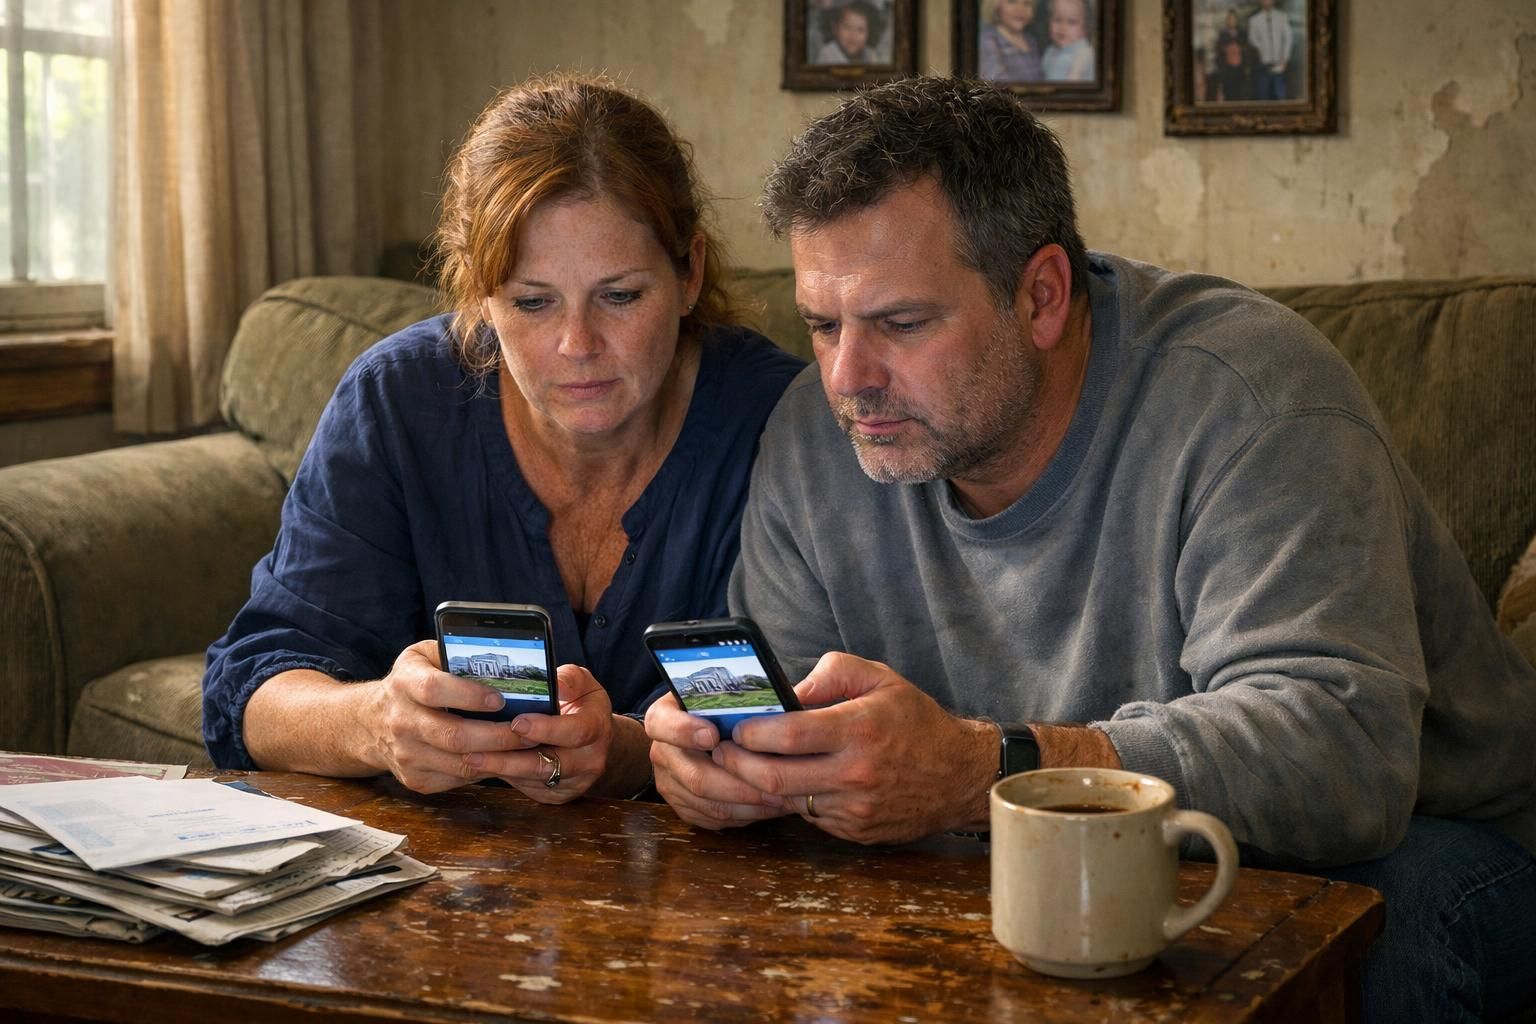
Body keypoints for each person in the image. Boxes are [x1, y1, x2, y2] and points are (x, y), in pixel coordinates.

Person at [645, 76, 1536, 1021]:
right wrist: (730, 767)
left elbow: (1341, 758)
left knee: (1370, 941)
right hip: (1039, 852)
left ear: (1041, 296)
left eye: (902, 323)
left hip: (1432, 843)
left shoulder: (1249, 398)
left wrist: (981, 769)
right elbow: (791, 709)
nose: (848, 378)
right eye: (823, 325)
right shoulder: (813, 435)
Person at [202, 74, 803, 804]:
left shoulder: (781, 421)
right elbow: (253, 696)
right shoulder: (399, 402)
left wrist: (621, 750)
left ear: (689, 273)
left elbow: (808, 729)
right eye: (531, 302)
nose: (577, 344)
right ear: (479, 295)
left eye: (620, 296)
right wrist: (375, 721)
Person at [978, 0, 1043, 83]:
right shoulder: (988, 40)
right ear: (996, 6)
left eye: (1027, 3)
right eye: (1012, 1)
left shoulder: (1031, 41)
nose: (1020, 9)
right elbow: (995, 82)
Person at [1247, 0, 1293, 100]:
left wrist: (1284, 59)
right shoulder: (1254, 20)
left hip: (1279, 65)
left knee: (1281, 97)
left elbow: (1288, 39)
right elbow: (1252, 39)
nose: (1267, 1)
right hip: (1263, 66)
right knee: (1263, 98)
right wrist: (1260, 49)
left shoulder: (1282, 17)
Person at [1040, 0, 1095, 82]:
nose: (1063, 28)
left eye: (1072, 22)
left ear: (1085, 28)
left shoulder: (1085, 53)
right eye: (1057, 20)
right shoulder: (1050, 51)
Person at [814, 1, 882, 65]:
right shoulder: (828, 54)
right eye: (847, 27)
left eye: (860, 30)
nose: (852, 35)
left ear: (869, 33)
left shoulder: (870, 55)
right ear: (835, 28)